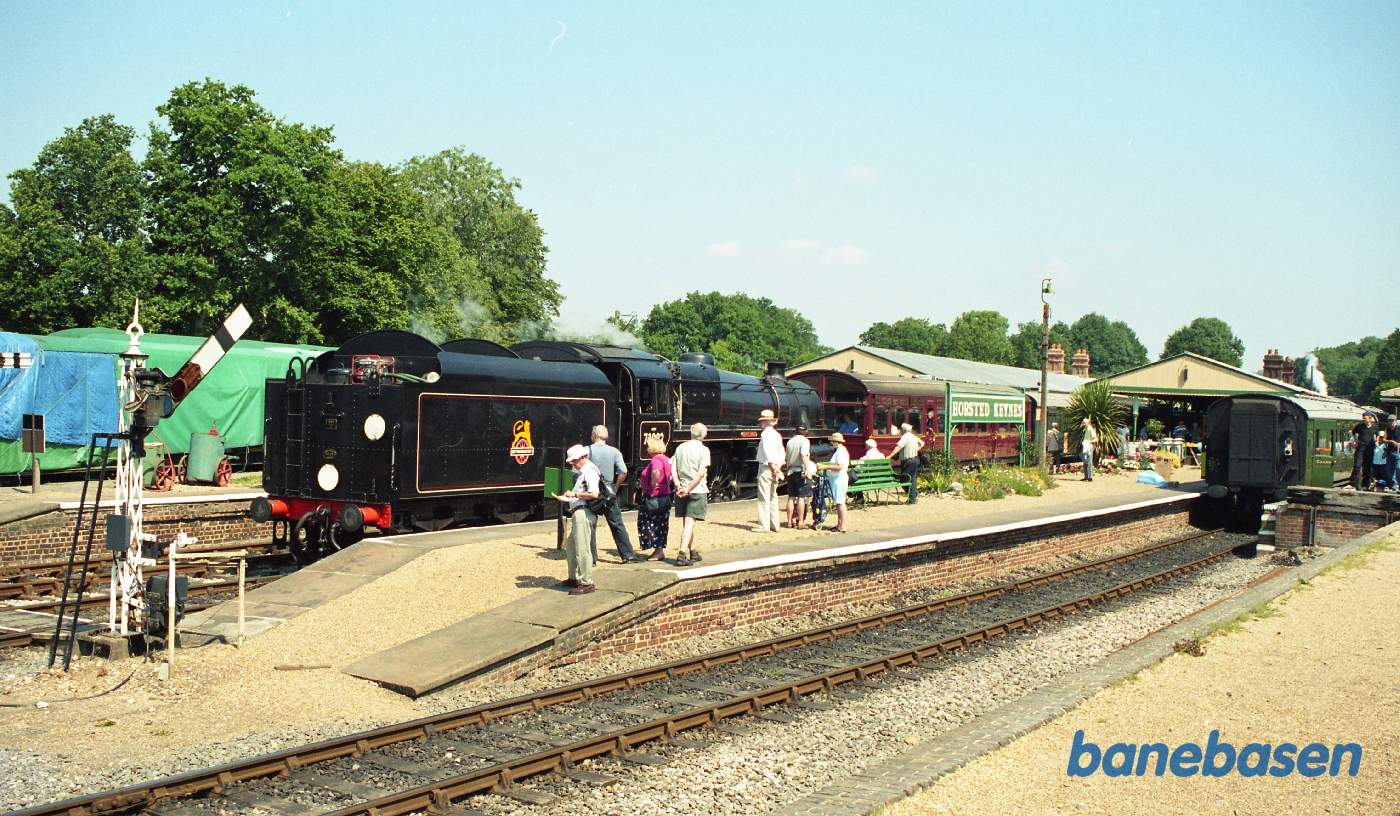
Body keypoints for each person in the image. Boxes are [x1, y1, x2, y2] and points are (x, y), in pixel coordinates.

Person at [589, 425, 644, 563]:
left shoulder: (587, 450)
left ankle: (591, 558)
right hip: (608, 493)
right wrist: (615, 487)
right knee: (617, 524)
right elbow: (623, 472)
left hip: (592, 491)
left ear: (594, 435)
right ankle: (628, 555)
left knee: (590, 524)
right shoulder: (614, 451)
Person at [554, 445, 600, 595]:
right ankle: (573, 578)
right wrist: (567, 498)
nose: (573, 464)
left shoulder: (590, 471)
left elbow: (594, 493)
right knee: (572, 547)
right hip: (579, 511)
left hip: (583, 512)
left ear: (583, 457)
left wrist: (574, 496)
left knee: (582, 548)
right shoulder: (583, 471)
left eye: (574, 461)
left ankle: (587, 582)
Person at [671, 423, 711, 566]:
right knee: (689, 523)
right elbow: (700, 474)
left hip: (682, 489)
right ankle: (682, 554)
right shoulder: (704, 450)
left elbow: (673, 469)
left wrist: (678, 486)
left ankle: (692, 551)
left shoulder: (680, 448)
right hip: (696, 490)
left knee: (687, 523)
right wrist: (687, 488)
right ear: (704, 435)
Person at [635, 438, 674, 559]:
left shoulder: (656, 460)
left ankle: (657, 551)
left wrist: (653, 484)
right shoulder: (667, 459)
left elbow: (656, 472)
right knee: (661, 524)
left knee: (649, 523)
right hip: (665, 496)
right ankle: (659, 550)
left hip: (653, 496)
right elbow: (672, 476)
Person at [754, 409, 784, 532]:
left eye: (762, 421)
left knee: (763, 497)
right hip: (775, 467)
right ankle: (775, 524)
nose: (760, 424)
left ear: (765, 422)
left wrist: (772, 465)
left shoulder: (765, 434)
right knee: (773, 496)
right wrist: (778, 467)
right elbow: (782, 452)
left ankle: (764, 525)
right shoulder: (777, 434)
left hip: (767, 467)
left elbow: (767, 451)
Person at [817, 432, 850, 532]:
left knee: (840, 502)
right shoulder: (841, 450)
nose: (831, 443)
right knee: (839, 502)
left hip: (838, 479)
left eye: (832, 441)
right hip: (839, 478)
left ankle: (842, 525)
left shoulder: (840, 451)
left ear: (835, 441)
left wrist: (825, 466)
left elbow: (840, 466)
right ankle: (840, 524)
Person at [785, 424, 814, 529]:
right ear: (805, 432)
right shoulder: (805, 441)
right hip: (800, 471)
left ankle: (789, 522)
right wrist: (807, 469)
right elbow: (803, 454)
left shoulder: (790, 441)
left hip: (791, 471)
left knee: (791, 497)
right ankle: (800, 522)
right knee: (801, 497)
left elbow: (787, 456)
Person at [889, 422, 924, 504]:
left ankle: (913, 496)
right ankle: (912, 498)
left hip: (908, 462)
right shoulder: (913, 436)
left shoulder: (905, 437)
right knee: (912, 479)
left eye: (901, 429)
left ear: (904, 430)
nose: (900, 430)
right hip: (915, 459)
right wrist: (916, 449)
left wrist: (890, 455)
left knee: (903, 479)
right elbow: (922, 443)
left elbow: (898, 447)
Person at [1347, 412, 1377, 490]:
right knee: (1357, 466)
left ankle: (1365, 485)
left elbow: (1376, 437)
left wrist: (1376, 443)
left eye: (1365, 417)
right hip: (1360, 449)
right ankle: (1354, 484)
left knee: (1367, 467)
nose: (1363, 419)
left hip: (1370, 450)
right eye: (1363, 417)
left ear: (1370, 418)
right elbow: (1352, 433)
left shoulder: (1375, 427)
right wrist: (1353, 442)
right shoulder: (1359, 426)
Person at [1384, 415, 1400, 493]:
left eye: (1392, 420)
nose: (1391, 422)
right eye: (1389, 420)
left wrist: (1398, 444)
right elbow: (1384, 439)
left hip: (1398, 452)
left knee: (1398, 468)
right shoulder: (1387, 429)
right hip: (1390, 452)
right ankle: (1393, 486)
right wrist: (1391, 441)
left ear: (1396, 420)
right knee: (1390, 470)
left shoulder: (1399, 428)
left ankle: (1398, 486)